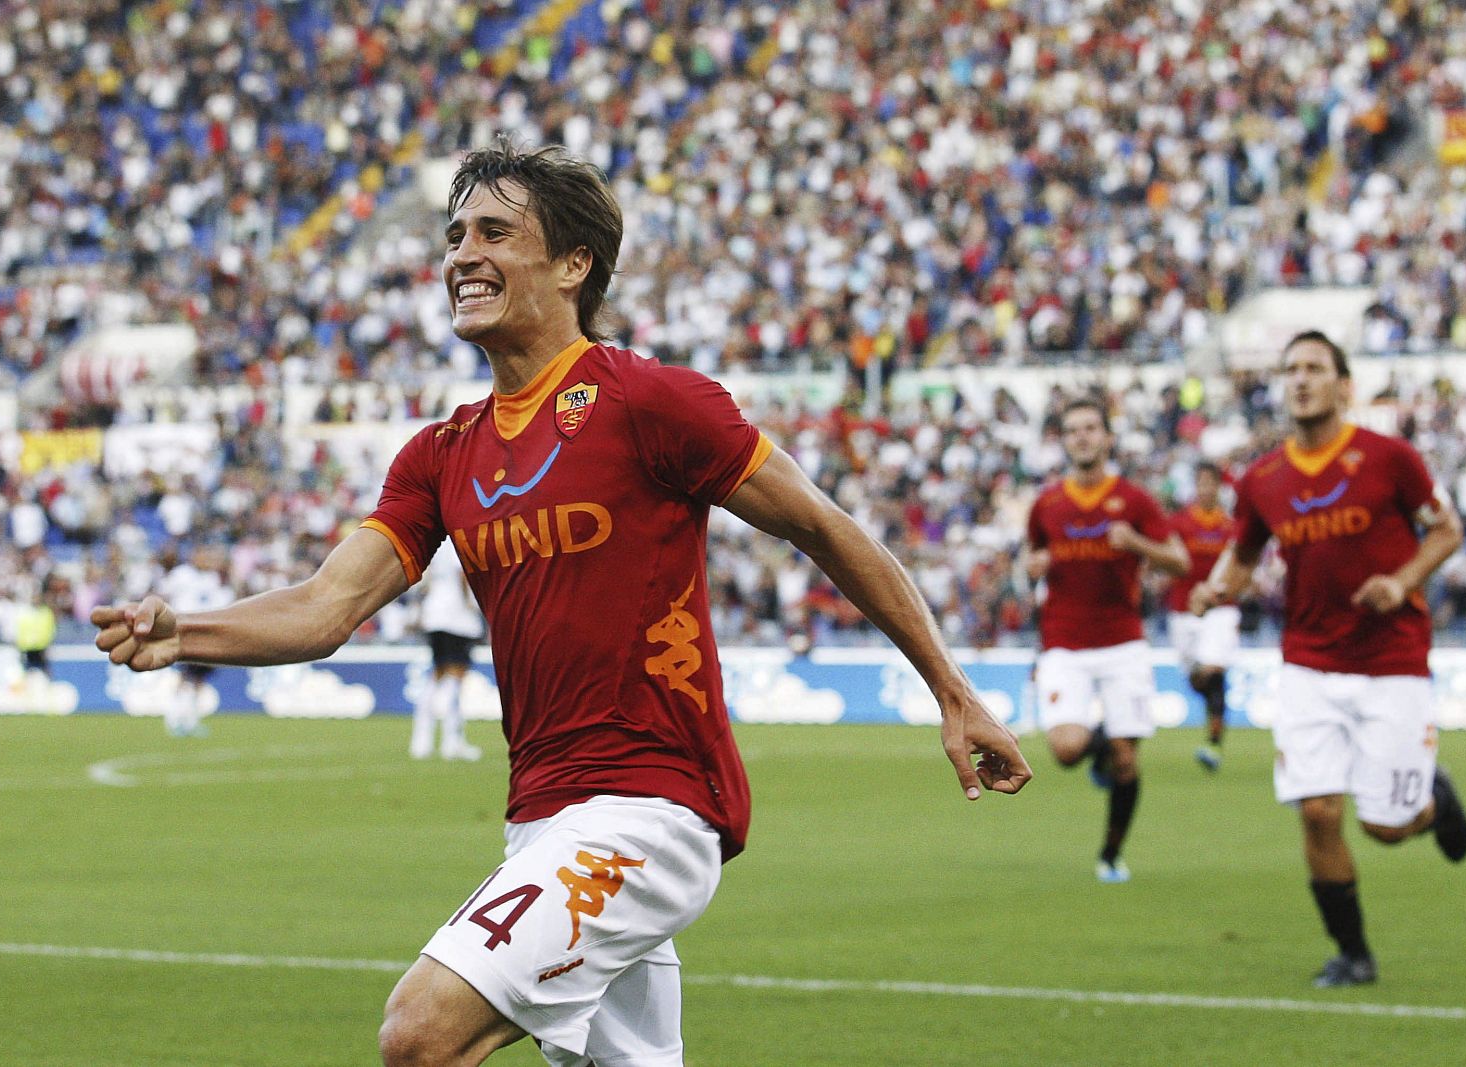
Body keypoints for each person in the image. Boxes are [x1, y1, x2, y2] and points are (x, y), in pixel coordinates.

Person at [92, 141, 1030, 1067]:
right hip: (541, 813)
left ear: (574, 263)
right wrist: (191, 632)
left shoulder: (652, 403)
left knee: (420, 1032)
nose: (461, 255)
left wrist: (951, 690)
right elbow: (326, 607)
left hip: (653, 803)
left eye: (495, 232)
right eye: (454, 236)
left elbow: (826, 528)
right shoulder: (440, 454)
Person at [1190, 331, 1466, 989]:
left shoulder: (1390, 458)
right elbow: (1242, 554)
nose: (1301, 378)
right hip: (1308, 664)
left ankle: (1433, 798)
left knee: (1385, 825)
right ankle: (1353, 952)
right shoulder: (1262, 479)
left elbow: (1448, 530)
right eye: (1291, 369)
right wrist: (1216, 588)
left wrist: (1401, 581)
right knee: (1317, 809)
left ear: (1344, 385)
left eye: (1315, 367)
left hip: (1391, 662)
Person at [1023, 398, 1189, 883]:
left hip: (1122, 643)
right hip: (1065, 643)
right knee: (1066, 749)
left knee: (1127, 757)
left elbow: (1179, 562)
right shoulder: (1048, 504)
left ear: (1107, 438)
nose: (1082, 436)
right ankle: (1098, 746)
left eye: (1091, 428)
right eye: (1073, 429)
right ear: (1063, 440)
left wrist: (1137, 545)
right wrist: (1031, 567)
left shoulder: (1135, 501)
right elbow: (1032, 559)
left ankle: (1111, 854)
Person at [1164, 461, 1239, 771]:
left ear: (1219, 487)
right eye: (1200, 483)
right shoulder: (1179, 523)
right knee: (1196, 678)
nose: (1205, 489)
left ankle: (1213, 743)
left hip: (1220, 609)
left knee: (1213, 670)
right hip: (1183, 611)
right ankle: (1215, 716)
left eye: (1211, 483)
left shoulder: (1230, 527)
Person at [413, 541, 485, 761]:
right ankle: (451, 740)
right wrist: (471, 603)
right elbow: (461, 571)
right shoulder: (458, 540)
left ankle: (421, 740)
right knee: (456, 676)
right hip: (456, 615)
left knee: (437, 674)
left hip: (434, 611)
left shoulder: (438, 544)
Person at [157, 545, 235, 737]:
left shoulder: (212, 579)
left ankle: (191, 721)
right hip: (184, 630)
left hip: (205, 633)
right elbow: (162, 595)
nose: (205, 559)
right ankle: (173, 719)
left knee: (199, 680)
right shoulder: (181, 574)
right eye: (201, 555)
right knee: (184, 676)